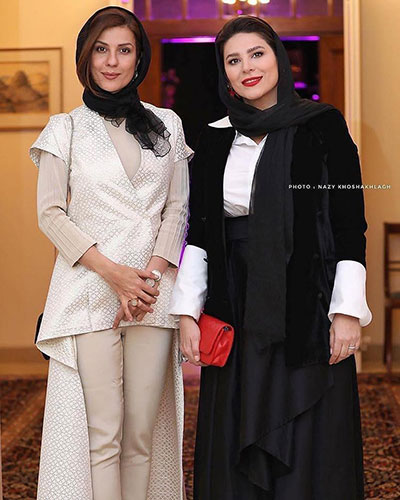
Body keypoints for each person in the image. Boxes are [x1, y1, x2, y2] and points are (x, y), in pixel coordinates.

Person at [170, 16, 371, 500]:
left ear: (279, 57)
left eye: (256, 54)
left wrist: (347, 311)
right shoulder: (215, 137)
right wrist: (187, 313)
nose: (247, 68)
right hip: (236, 304)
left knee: (308, 436)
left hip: (308, 300)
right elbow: (201, 231)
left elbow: (349, 224)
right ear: (223, 73)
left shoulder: (323, 125)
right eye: (233, 60)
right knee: (239, 421)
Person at [30, 7, 192, 500]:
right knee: (104, 437)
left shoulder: (167, 124)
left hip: (152, 295)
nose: (112, 61)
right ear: (86, 56)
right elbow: (51, 214)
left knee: (140, 436)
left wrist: (147, 279)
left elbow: (178, 209)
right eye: (101, 49)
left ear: (139, 59)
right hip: (89, 290)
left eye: (124, 50)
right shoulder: (64, 128)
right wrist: (115, 274)